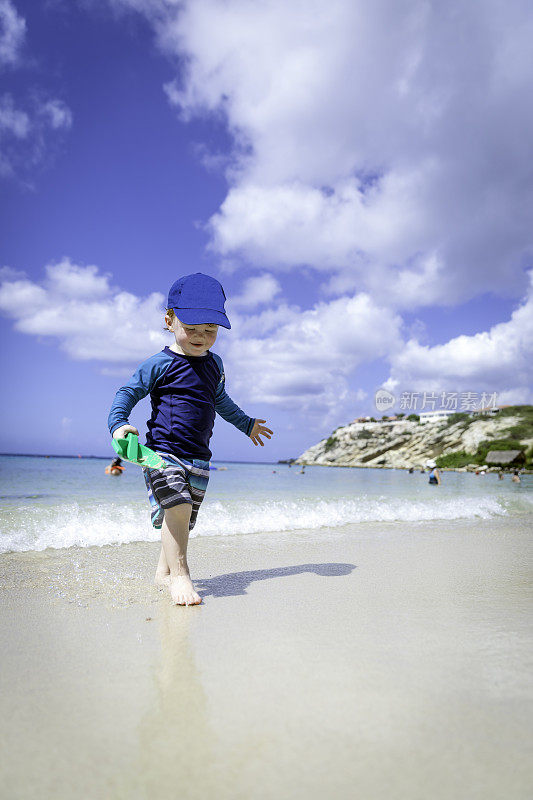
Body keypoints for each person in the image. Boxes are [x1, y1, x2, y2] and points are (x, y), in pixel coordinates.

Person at [108, 273, 273, 606]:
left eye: (210, 330)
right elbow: (128, 392)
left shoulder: (216, 365)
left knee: (181, 518)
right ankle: (181, 575)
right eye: (192, 328)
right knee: (178, 505)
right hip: (158, 453)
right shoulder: (160, 363)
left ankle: (162, 573)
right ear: (169, 320)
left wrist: (246, 424)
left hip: (198, 458)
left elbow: (221, 401)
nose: (201, 337)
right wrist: (119, 425)